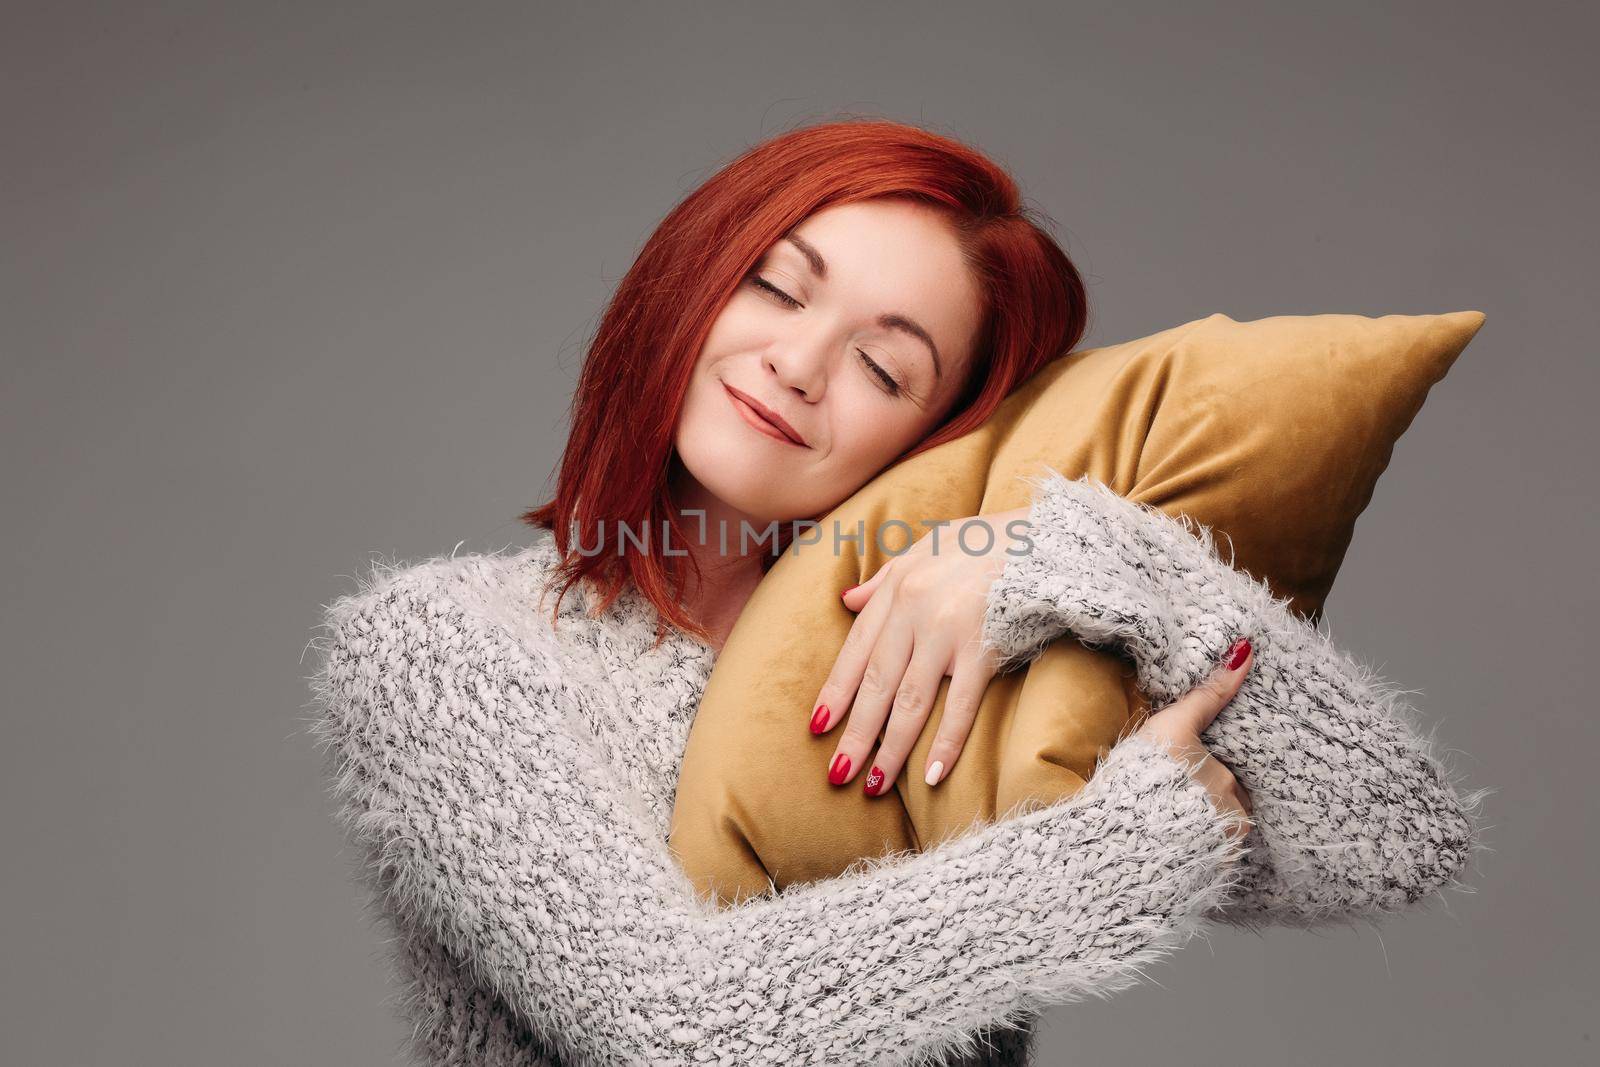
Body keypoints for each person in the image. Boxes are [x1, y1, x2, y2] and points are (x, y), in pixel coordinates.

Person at [310, 120, 1483, 1066]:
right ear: (689, 278)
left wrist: (1088, 564)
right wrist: (1118, 850)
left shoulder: (969, 631)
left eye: (885, 365)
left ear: (932, 435)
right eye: (774, 288)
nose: (798, 364)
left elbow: (1393, 843)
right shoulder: (447, 646)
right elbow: (673, 1030)